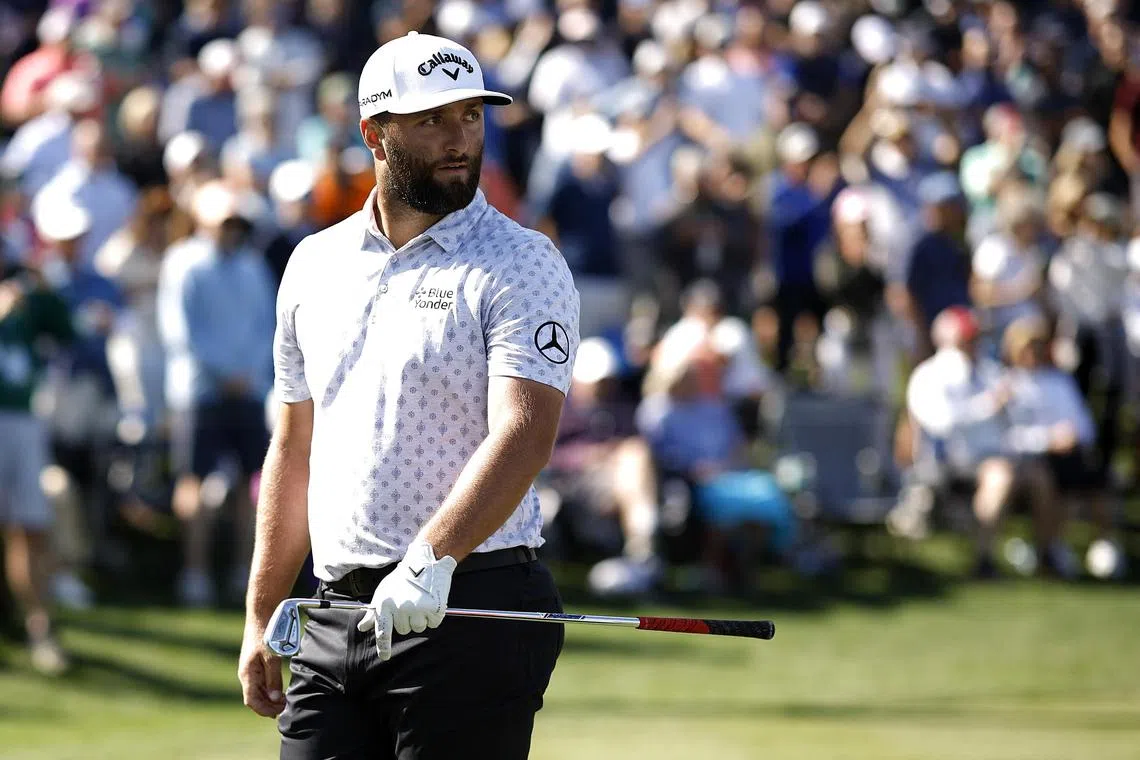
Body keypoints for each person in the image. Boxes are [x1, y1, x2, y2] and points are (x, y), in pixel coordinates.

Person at [237, 32, 580, 759]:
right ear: (375, 134)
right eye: (432, 121)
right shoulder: (313, 263)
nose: (459, 141)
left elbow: (524, 434)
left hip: (473, 603)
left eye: (471, 117)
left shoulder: (523, 261)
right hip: (333, 616)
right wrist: (263, 611)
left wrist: (429, 561)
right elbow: (295, 446)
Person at [157, 180, 277, 607]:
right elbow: (180, 331)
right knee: (195, 482)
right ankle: (195, 574)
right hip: (200, 393)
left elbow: (268, 326)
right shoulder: (183, 263)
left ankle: (243, 573)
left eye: (237, 221)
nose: (233, 229)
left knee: (253, 486)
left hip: (246, 391)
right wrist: (227, 373)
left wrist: (246, 374)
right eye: (225, 221)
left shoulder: (251, 267)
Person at [904, 307, 1057, 578]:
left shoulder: (988, 371)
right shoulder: (930, 375)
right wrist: (986, 406)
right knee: (1000, 477)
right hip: (952, 461)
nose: (974, 344)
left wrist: (1010, 400)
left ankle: (1046, 556)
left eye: (975, 338)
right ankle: (983, 558)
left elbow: (1018, 415)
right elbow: (942, 424)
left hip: (998, 454)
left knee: (1040, 475)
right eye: (968, 339)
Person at [0, 238, 76, 675]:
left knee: (30, 527)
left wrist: (43, 289)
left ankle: (39, 628)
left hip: (24, 421)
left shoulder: (24, 288)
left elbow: (67, 331)